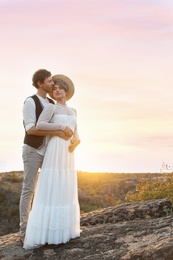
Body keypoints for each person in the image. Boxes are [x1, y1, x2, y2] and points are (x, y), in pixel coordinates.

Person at [23, 74, 80, 249]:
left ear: (66, 91)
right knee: (51, 185)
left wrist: (77, 140)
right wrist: (61, 127)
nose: (56, 91)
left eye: (59, 88)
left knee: (64, 185)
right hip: (55, 149)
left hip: (67, 153)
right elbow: (39, 126)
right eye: (54, 89)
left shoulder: (73, 111)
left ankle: (63, 229)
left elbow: (76, 132)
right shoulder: (50, 108)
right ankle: (43, 232)